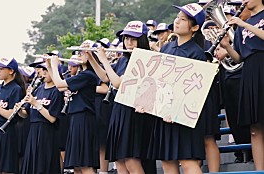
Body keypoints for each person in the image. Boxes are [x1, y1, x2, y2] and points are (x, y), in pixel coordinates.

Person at [88, 20, 152, 174]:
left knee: (131, 160)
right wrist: (91, 57)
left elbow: (118, 83)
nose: (128, 42)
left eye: (133, 39)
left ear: (142, 40)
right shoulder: (124, 59)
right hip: (119, 110)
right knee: (119, 160)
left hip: (133, 112)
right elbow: (105, 78)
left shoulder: (142, 58)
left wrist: (104, 59)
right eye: (126, 38)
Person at [157, 3, 207, 173]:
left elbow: (195, 92)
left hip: (185, 116)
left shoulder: (197, 53)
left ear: (195, 28)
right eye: (177, 17)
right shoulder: (166, 48)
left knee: (187, 161)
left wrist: (177, 111)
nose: (177, 22)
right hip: (164, 113)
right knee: (167, 161)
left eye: (183, 19)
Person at [220, 0, 264, 170]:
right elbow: (239, 58)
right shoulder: (240, 27)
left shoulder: (244, 22)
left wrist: (243, 24)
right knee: (254, 127)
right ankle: (260, 170)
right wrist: (226, 46)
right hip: (249, 71)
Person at [47, 40, 100, 174]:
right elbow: (60, 88)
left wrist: (55, 65)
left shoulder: (87, 75)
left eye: (83, 52)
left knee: (85, 164)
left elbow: (59, 84)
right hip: (76, 118)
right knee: (76, 166)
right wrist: (49, 66)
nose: (79, 55)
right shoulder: (81, 75)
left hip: (85, 119)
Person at [17, 62, 63, 174]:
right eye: (42, 71)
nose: (43, 73)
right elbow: (25, 113)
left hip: (47, 132)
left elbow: (52, 118)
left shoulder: (57, 91)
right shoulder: (38, 89)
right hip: (33, 131)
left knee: (44, 166)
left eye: (46, 70)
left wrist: (36, 103)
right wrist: (19, 110)